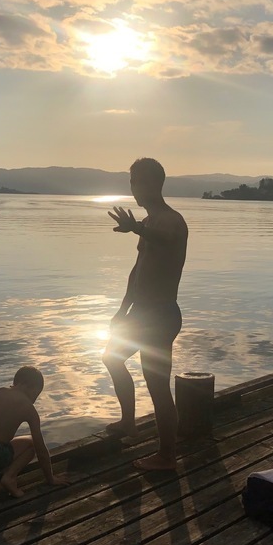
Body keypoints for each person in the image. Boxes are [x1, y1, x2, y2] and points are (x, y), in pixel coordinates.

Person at [104, 158, 188, 472]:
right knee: (111, 358)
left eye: (136, 182)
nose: (133, 189)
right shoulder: (149, 222)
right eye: (131, 182)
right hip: (140, 314)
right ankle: (129, 422)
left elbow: (166, 241)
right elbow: (138, 269)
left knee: (158, 387)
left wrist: (137, 228)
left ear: (152, 184)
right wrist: (122, 309)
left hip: (160, 314)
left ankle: (167, 456)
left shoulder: (171, 221)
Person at [0, 366, 69, 497]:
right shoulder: (28, 408)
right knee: (31, 443)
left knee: (3, 442)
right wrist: (50, 478)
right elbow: (40, 449)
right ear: (25, 385)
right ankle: (10, 477)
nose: (35, 399)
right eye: (36, 394)